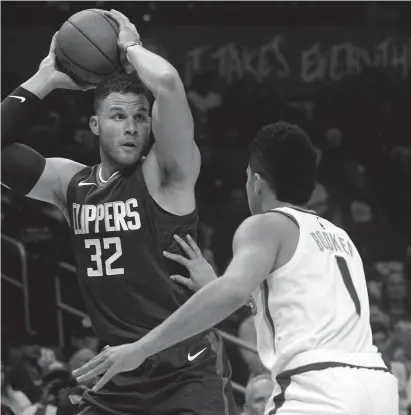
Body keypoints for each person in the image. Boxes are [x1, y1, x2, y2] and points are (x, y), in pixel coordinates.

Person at [74, 122, 399, 414]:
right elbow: (296, 309)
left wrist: (140, 348)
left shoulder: (265, 225)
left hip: (320, 388)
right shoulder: (339, 236)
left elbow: (230, 293)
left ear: (257, 183)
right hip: (378, 386)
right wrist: (218, 282)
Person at [2, 8, 235, 415]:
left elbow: (166, 83)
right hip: (117, 377)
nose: (131, 127)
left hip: (185, 374)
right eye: (118, 116)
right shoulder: (69, 183)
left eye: (140, 117)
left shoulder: (167, 174)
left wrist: (130, 47)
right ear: (95, 125)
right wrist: (47, 78)